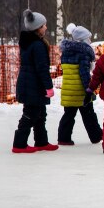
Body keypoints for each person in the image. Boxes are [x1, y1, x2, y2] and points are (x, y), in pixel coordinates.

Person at [12, 9, 60, 153]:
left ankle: (41, 141)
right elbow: (41, 68)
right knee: (30, 113)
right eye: (44, 25)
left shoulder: (29, 42)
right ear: (37, 28)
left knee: (40, 114)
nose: (46, 27)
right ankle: (19, 144)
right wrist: (49, 87)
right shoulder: (38, 45)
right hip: (33, 84)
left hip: (30, 83)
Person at [57, 23, 103, 145]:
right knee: (89, 115)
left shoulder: (66, 52)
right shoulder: (83, 53)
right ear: (83, 39)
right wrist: (89, 89)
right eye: (88, 38)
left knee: (68, 115)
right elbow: (84, 74)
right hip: (80, 91)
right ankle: (96, 135)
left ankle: (63, 138)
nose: (90, 40)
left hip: (68, 89)